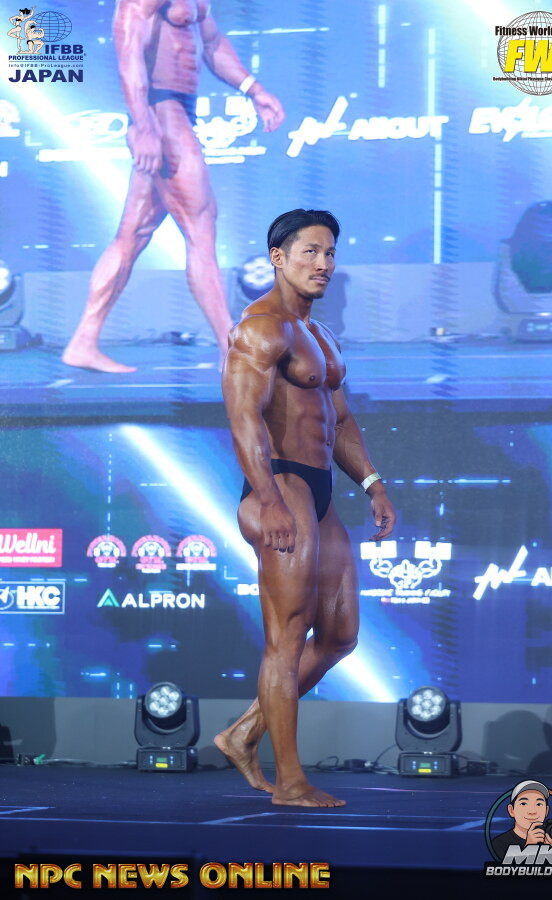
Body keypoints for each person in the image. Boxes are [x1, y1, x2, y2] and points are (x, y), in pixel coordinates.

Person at [216, 209, 396, 807]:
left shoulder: (321, 337)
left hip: (319, 489)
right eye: (311, 252)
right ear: (278, 257)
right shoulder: (260, 328)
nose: (323, 264)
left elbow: (339, 421)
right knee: (287, 638)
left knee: (340, 634)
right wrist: (267, 497)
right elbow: (243, 417)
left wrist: (372, 483)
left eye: (330, 253)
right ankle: (290, 781)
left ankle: (244, 734)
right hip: (281, 484)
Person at [62, 0, 284, 373]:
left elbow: (212, 44)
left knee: (131, 236)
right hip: (160, 110)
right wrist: (143, 124)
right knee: (201, 225)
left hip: (177, 107)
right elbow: (129, 51)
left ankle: (83, 341)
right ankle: (232, 350)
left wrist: (254, 89)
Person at [491, 780, 552, 861]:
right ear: (511, 810)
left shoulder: (551, 838)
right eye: (523, 803)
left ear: (546, 811)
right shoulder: (499, 843)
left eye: (539, 804)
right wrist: (529, 846)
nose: (532, 811)